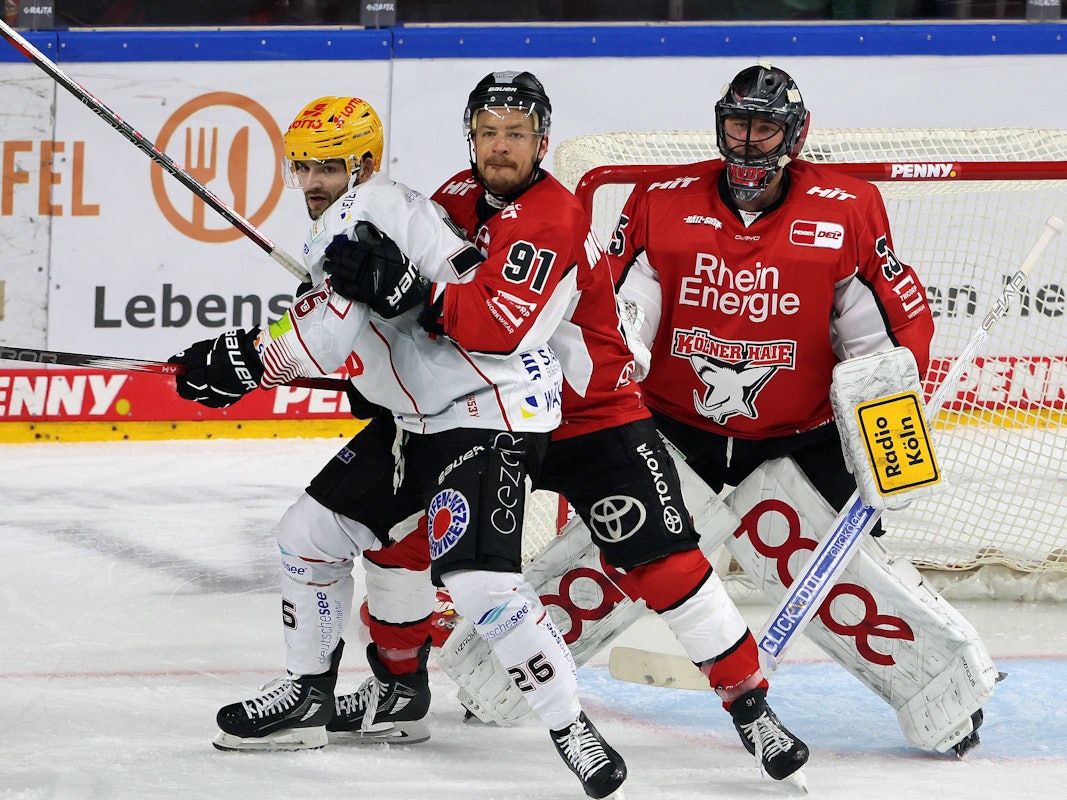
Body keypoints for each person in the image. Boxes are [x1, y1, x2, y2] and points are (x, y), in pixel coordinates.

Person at [323, 70, 809, 784]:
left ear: (542, 141)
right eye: (487, 132)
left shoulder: (555, 212)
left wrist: (412, 295)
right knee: (397, 534)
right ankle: (398, 687)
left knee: (665, 565)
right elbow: (410, 317)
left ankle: (750, 707)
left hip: (588, 419)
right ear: (470, 138)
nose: (499, 147)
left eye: (515, 134)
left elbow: (495, 327)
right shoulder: (451, 203)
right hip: (489, 418)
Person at [169, 95, 628, 799]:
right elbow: (365, 324)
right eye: (303, 167)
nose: (315, 181)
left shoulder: (361, 211)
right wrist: (261, 360)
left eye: (330, 165)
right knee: (308, 535)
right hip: (422, 421)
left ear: (364, 163)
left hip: (489, 413)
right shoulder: (374, 209)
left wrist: (236, 362)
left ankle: (571, 726)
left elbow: (320, 338)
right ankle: (321, 694)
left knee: (478, 581)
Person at [606, 62, 990, 755]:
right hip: (673, 427)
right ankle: (518, 669)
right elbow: (622, 305)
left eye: (764, 127)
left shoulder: (844, 208)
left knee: (840, 573)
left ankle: (937, 692)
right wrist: (616, 373)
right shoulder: (659, 198)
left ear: (795, 134)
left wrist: (890, 431)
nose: (748, 143)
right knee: (615, 544)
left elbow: (884, 331)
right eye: (736, 125)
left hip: (800, 435)